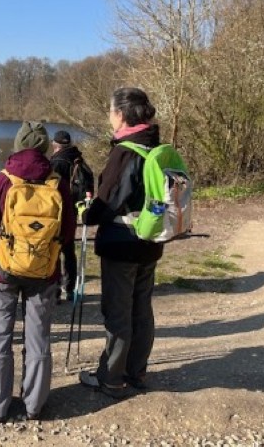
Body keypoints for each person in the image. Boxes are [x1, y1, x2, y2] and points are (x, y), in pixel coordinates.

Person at [0, 122, 76, 422]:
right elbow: (67, 234)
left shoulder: (1, 181)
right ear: (45, 148)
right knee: (38, 337)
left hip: (2, 270)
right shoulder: (58, 183)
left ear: (17, 145)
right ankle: (35, 404)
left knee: (0, 336)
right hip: (44, 271)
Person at [77, 87, 163, 399]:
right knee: (142, 309)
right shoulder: (155, 146)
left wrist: (86, 213)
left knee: (118, 312)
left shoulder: (125, 152)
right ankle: (136, 372)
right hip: (150, 241)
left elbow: (108, 201)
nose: (109, 117)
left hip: (122, 243)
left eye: (111, 111)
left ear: (121, 114)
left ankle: (111, 378)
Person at [49, 130, 94, 303]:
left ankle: (54, 291)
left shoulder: (56, 162)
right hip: (73, 210)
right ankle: (70, 289)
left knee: (54, 250)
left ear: (55, 144)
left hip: (57, 211)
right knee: (69, 250)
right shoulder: (78, 158)